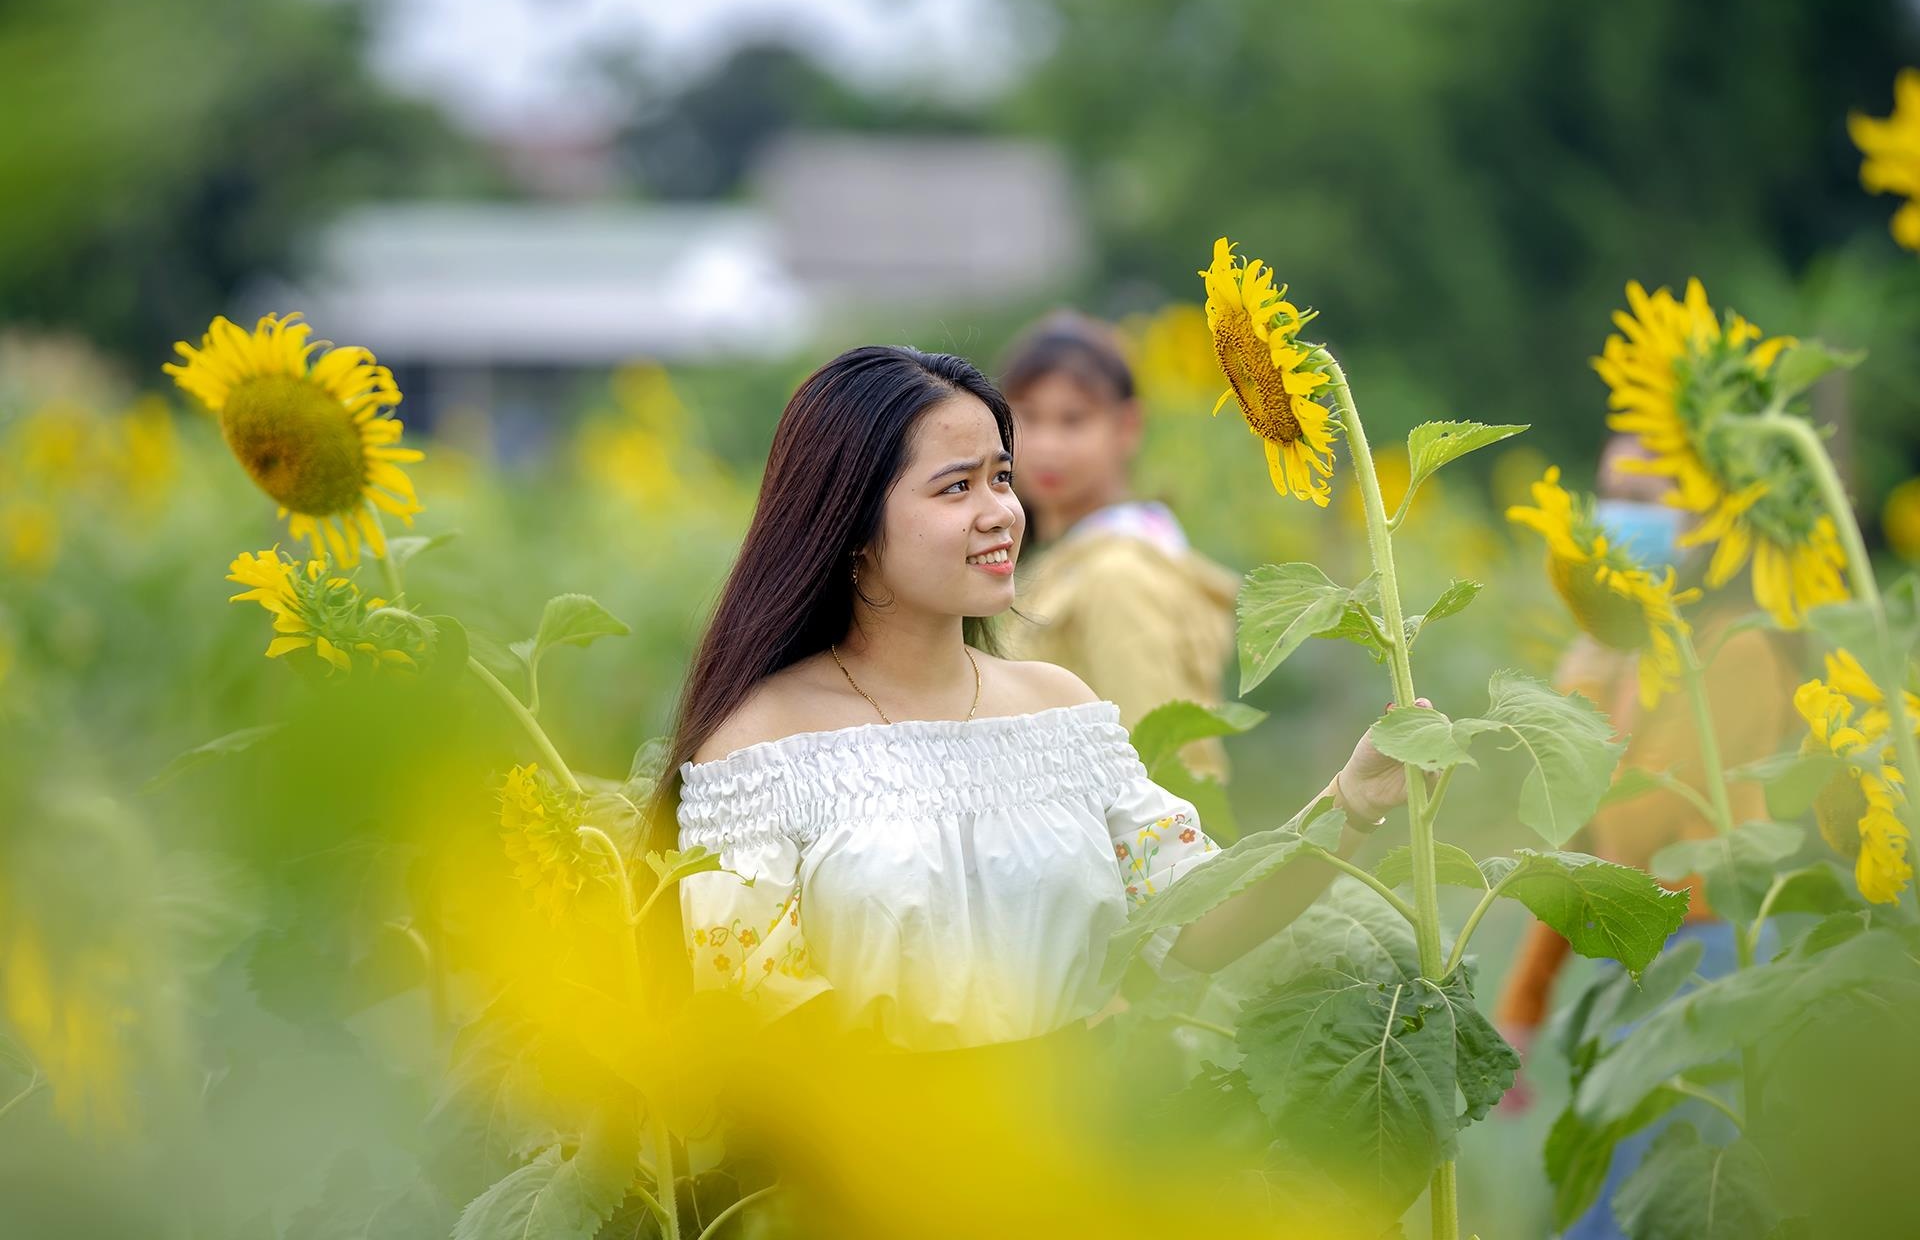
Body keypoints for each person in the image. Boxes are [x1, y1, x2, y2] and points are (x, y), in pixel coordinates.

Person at [658, 345, 1418, 1054]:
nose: (1001, 511)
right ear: (852, 525)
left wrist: (1351, 802)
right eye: (956, 486)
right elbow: (753, 1024)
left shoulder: (1058, 710)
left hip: (1074, 1167)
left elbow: (1198, 920)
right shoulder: (759, 743)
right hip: (875, 1180)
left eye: (1000, 476)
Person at [1494, 434, 1801, 1238]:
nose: (1626, 517)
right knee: (1610, 1201)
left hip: (1711, 952)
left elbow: (1643, 824)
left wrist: (1593, 685)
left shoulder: (1739, 651)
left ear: (1710, 520)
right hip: (1632, 962)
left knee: (1669, 1201)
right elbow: (1583, 851)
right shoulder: (1603, 660)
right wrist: (1525, 1001)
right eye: (1612, 493)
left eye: (1652, 495)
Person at [996, 311, 1240, 780]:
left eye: (1073, 420)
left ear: (1127, 426)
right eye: (1027, 415)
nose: (1046, 444)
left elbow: (1159, 770)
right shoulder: (1069, 559)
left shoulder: (1118, 573)